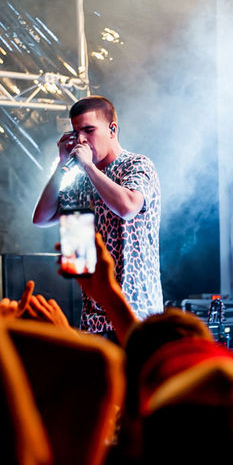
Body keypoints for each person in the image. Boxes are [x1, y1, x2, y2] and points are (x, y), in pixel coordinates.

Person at [33, 96, 162, 335]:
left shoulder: (136, 165)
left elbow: (127, 207)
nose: (81, 140)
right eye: (76, 133)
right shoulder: (81, 181)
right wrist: (62, 165)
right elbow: (41, 218)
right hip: (94, 320)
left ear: (112, 129)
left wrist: (89, 167)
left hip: (136, 315)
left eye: (89, 130)